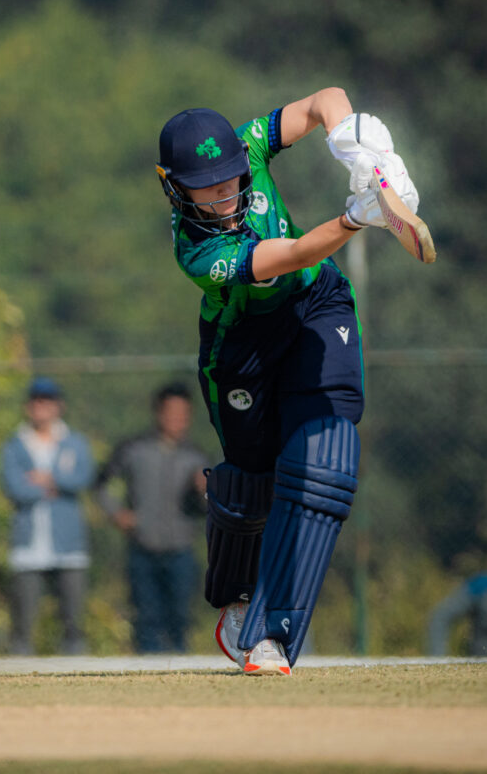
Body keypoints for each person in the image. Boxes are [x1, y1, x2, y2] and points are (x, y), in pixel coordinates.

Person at [155, 92, 419, 675]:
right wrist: (354, 217)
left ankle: (273, 634)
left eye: (231, 180)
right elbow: (295, 251)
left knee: (325, 460)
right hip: (241, 346)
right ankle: (237, 597)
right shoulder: (198, 249)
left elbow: (325, 99)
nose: (226, 194)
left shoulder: (249, 143)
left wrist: (352, 142)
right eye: (207, 186)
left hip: (315, 303)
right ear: (173, 187)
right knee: (253, 478)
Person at [97, 382, 209, 653]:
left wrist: (205, 492)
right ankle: (147, 676)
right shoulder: (133, 449)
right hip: (142, 547)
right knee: (146, 618)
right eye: (172, 412)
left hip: (181, 548)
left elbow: (210, 506)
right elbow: (101, 484)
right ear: (159, 412)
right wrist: (116, 514)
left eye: (184, 414)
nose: (178, 419)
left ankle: (180, 673)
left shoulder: (197, 457)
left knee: (180, 618)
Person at [1, 377, 96, 655]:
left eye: (47, 401)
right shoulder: (16, 443)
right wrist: (54, 485)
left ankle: (76, 666)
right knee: (24, 618)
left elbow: (82, 478)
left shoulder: (74, 442)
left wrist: (45, 478)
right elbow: (15, 486)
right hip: (28, 542)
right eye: (36, 401)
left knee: (73, 618)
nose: (41, 407)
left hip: (69, 542)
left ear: (59, 406)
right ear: (29, 406)